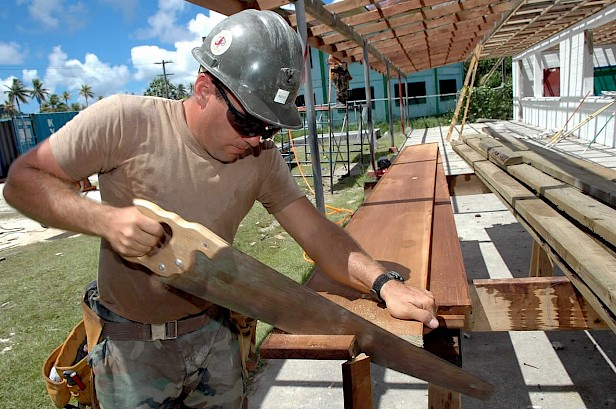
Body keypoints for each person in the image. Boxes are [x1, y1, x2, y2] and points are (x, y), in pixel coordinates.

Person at [3, 9, 437, 409]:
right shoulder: (124, 122)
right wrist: (105, 220)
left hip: (215, 335)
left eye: (268, 127)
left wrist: (384, 284)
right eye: (249, 122)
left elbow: (319, 235)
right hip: (131, 348)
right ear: (204, 89)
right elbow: (24, 181)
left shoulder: (261, 159)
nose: (256, 139)